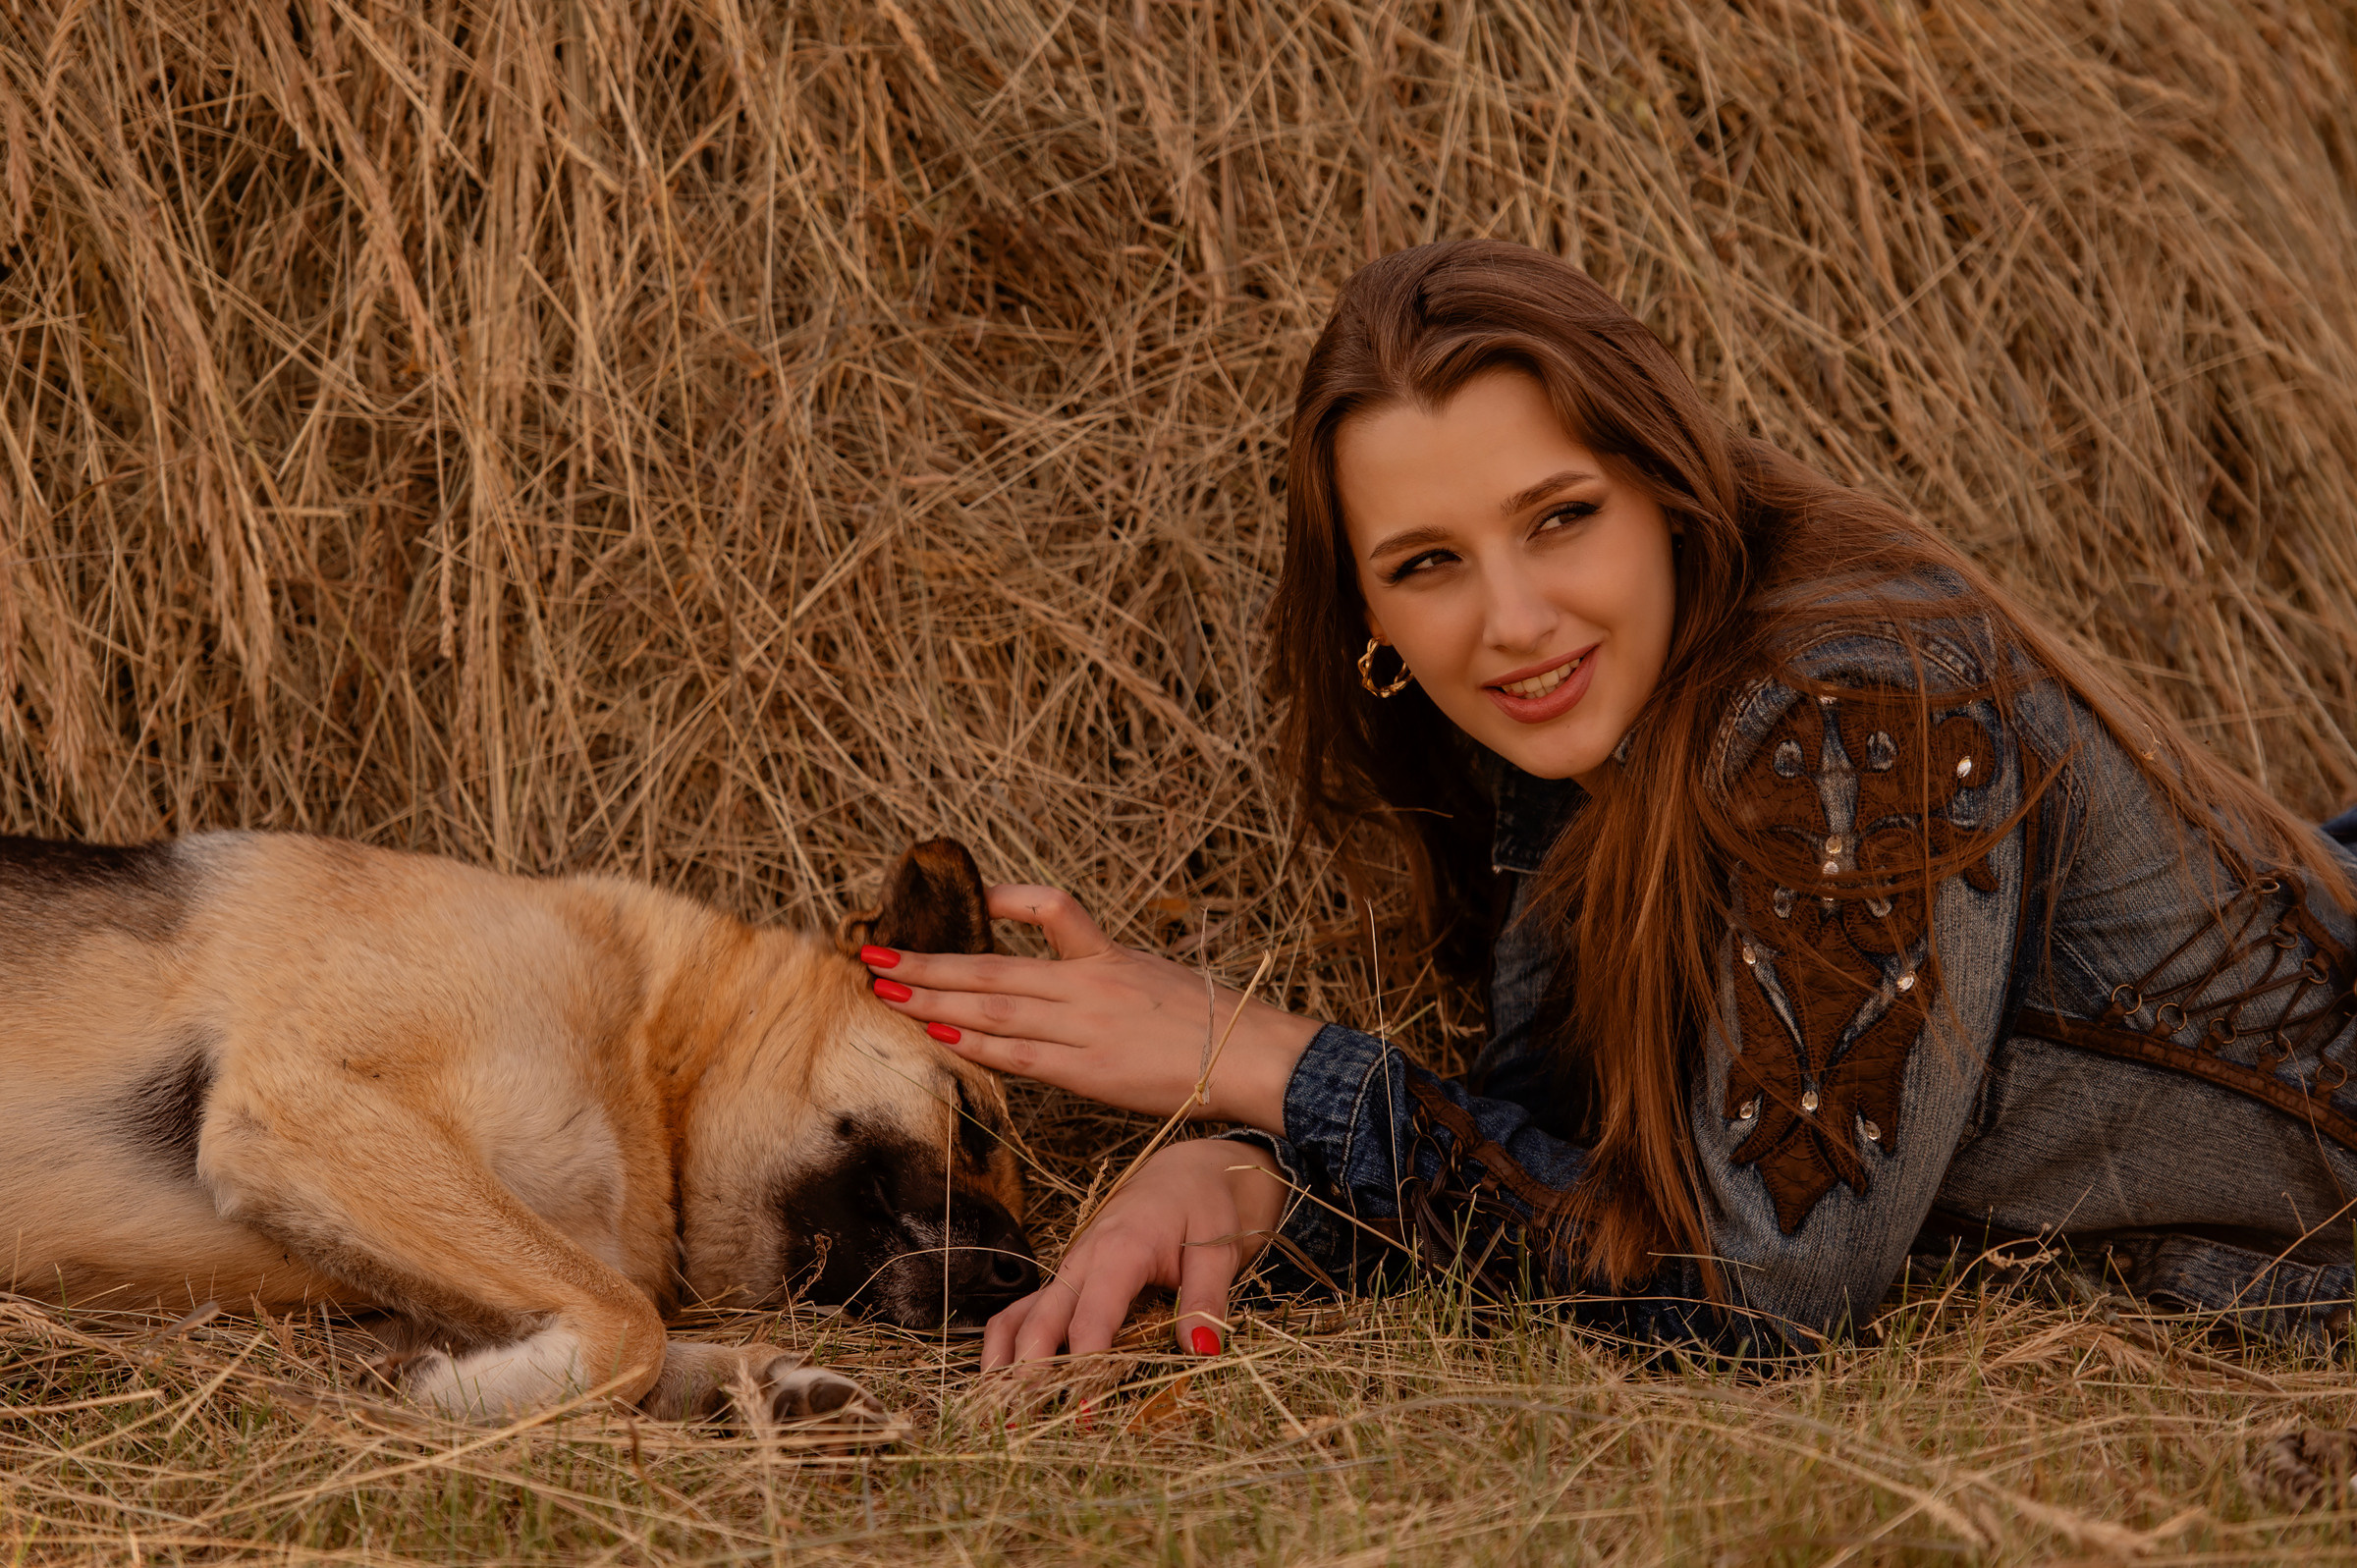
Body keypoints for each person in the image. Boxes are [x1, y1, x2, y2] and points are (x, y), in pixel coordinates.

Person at [857, 238, 2357, 1366]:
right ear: (1367, 610)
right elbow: (1564, 1141)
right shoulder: (1583, 737)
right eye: (1428, 561)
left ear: (1668, 487)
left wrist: (1265, 1059)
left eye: (1560, 518)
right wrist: (1250, 1177)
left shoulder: (1851, 704)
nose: (1511, 619)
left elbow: (1766, 1293)